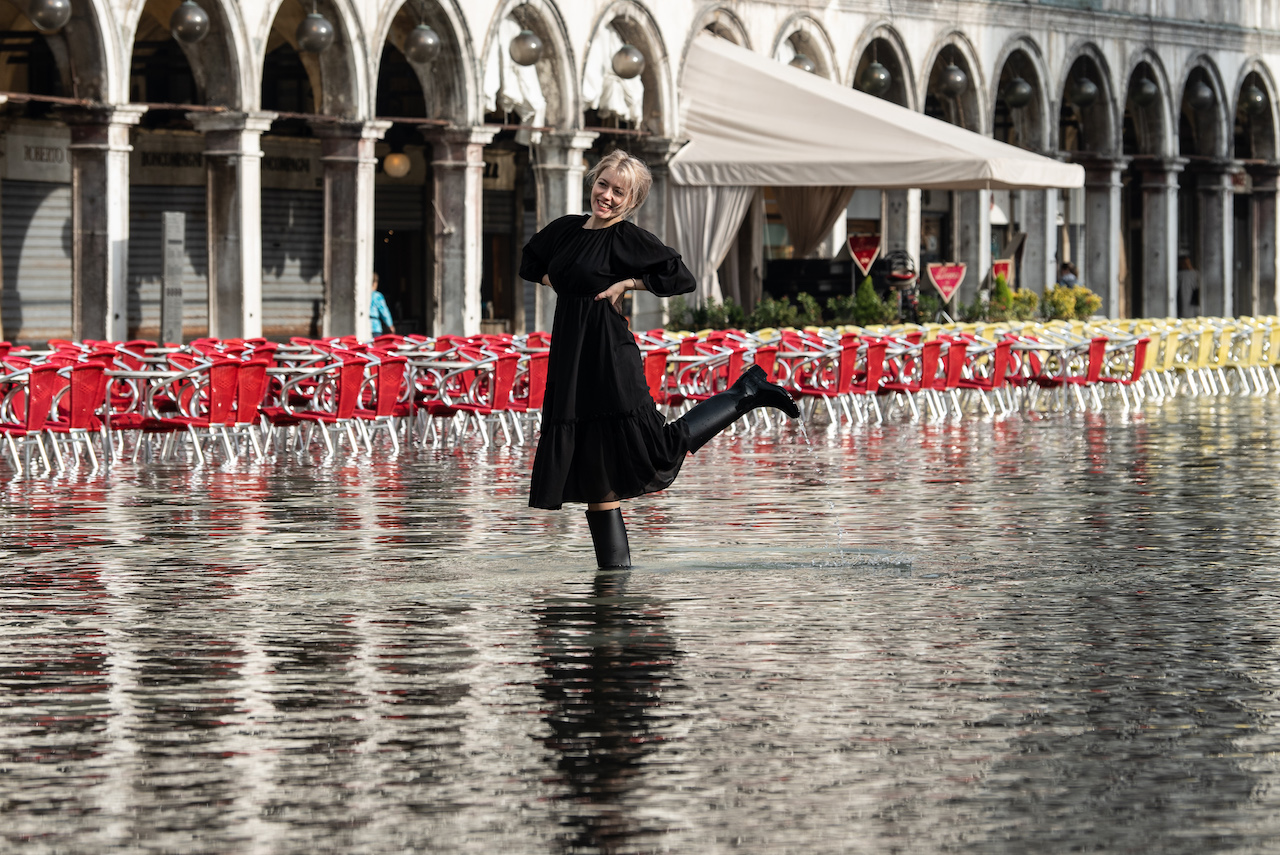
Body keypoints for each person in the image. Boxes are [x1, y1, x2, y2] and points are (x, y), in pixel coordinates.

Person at [519, 149, 800, 569]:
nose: (607, 196)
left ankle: (744, 393)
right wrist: (558, 280)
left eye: (619, 192)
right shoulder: (565, 230)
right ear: (592, 181)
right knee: (596, 475)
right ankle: (613, 589)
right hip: (573, 358)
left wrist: (628, 284)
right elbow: (529, 261)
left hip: (610, 357)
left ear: (631, 201)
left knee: (656, 445)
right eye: (603, 185)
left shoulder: (626, 238)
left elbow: (680, 276)